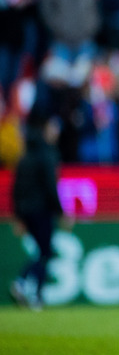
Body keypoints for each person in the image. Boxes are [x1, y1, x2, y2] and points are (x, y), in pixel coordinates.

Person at [9, 110, 63, 310]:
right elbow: (51, 187)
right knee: (45, 252)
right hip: (42, 211)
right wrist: (60, 211)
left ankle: (35, 294)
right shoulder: (48, 155)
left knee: (42, 252)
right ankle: (24, 284)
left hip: (26, 211)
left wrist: (18, 216)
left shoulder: (25, 157)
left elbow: (15, 189)